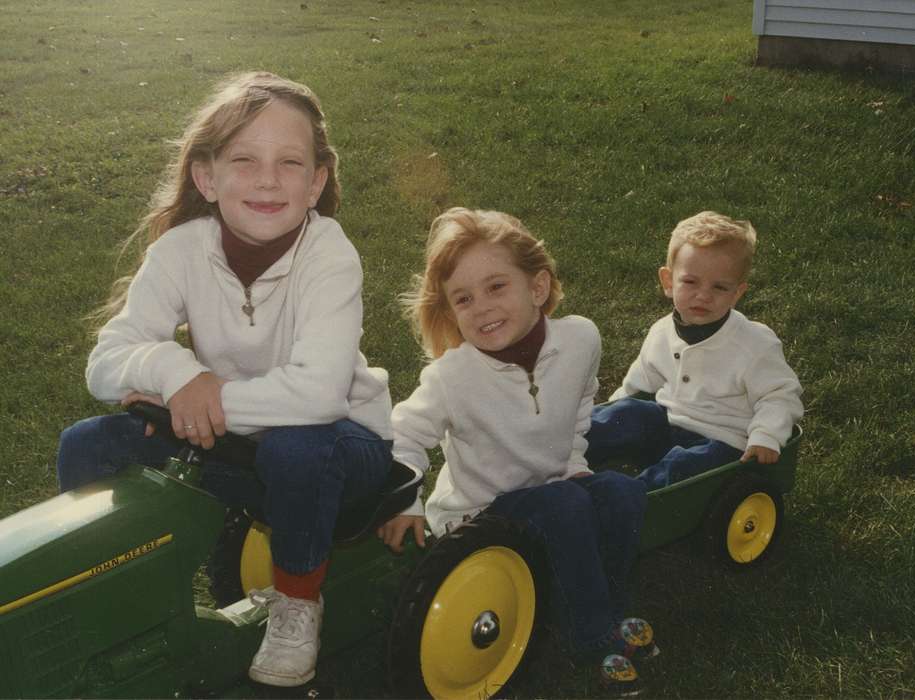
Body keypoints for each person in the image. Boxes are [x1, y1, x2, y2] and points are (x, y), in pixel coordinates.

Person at [55, 72, 394, 688]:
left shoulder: (330, 253)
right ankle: (120, 599)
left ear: (316, 182)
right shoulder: (182, 250)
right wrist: (176, 372)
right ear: (206, 177)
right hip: (232, 442)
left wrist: (202, 401)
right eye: (245, 159)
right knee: (89, 442)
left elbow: (318, 394)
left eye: (290, 162)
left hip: (343, 447)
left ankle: (297, 601)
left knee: (299, 445)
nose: (268, 179)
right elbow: (106, 362)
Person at [376, 207, 655, 693]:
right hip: (478, 517)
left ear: (538, 288)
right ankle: (590, 634)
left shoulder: (580, 340)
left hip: (551, 491)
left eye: (496, 287)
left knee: (621, 494)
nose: (481, 307)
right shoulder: (452, 377)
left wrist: (572, 463)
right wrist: (406, 501)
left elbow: (580, 405)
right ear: (450, 311)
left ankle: (603, 603)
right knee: (566, 505)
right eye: (463, 299)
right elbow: (404, 432)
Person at [586, 211, 803, 489]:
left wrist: (765, 435)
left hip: (722, 442)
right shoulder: (662, 331)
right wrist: (616, 412)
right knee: (626, 413)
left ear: (737, 293)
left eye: (720, 287)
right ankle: (565, 449)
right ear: (668, 281)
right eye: (690, 282)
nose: (703, 295)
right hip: (667, 422)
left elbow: (781, 395)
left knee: (683, 467)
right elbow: (638, 384)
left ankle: (630, 496)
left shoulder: (754, 345)